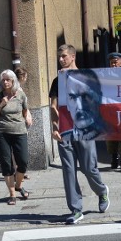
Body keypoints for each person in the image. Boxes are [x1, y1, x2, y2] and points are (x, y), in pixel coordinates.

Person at [49, 44, 110, 225]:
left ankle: (102, 191)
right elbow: (53, 106)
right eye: (59, 57)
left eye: (64, 56)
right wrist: (54, 127)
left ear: (73, 57)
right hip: (65, 131)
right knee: (68, 171)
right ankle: (76, 209)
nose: (61, 60)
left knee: (88, 168)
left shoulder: (85, 77)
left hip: (84, 129)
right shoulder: (57, 81)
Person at [0, 69, 31, 205]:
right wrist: (1, 104)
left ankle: (18, 185)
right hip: (1, 133)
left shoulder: (21, 95)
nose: (5, 82)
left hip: (19, 131)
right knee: (7, 164)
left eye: (8, 80)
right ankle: (12, 194)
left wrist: (28, 117)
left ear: (13, 81)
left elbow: (25, 110)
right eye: (3, 80)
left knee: (23, 162)